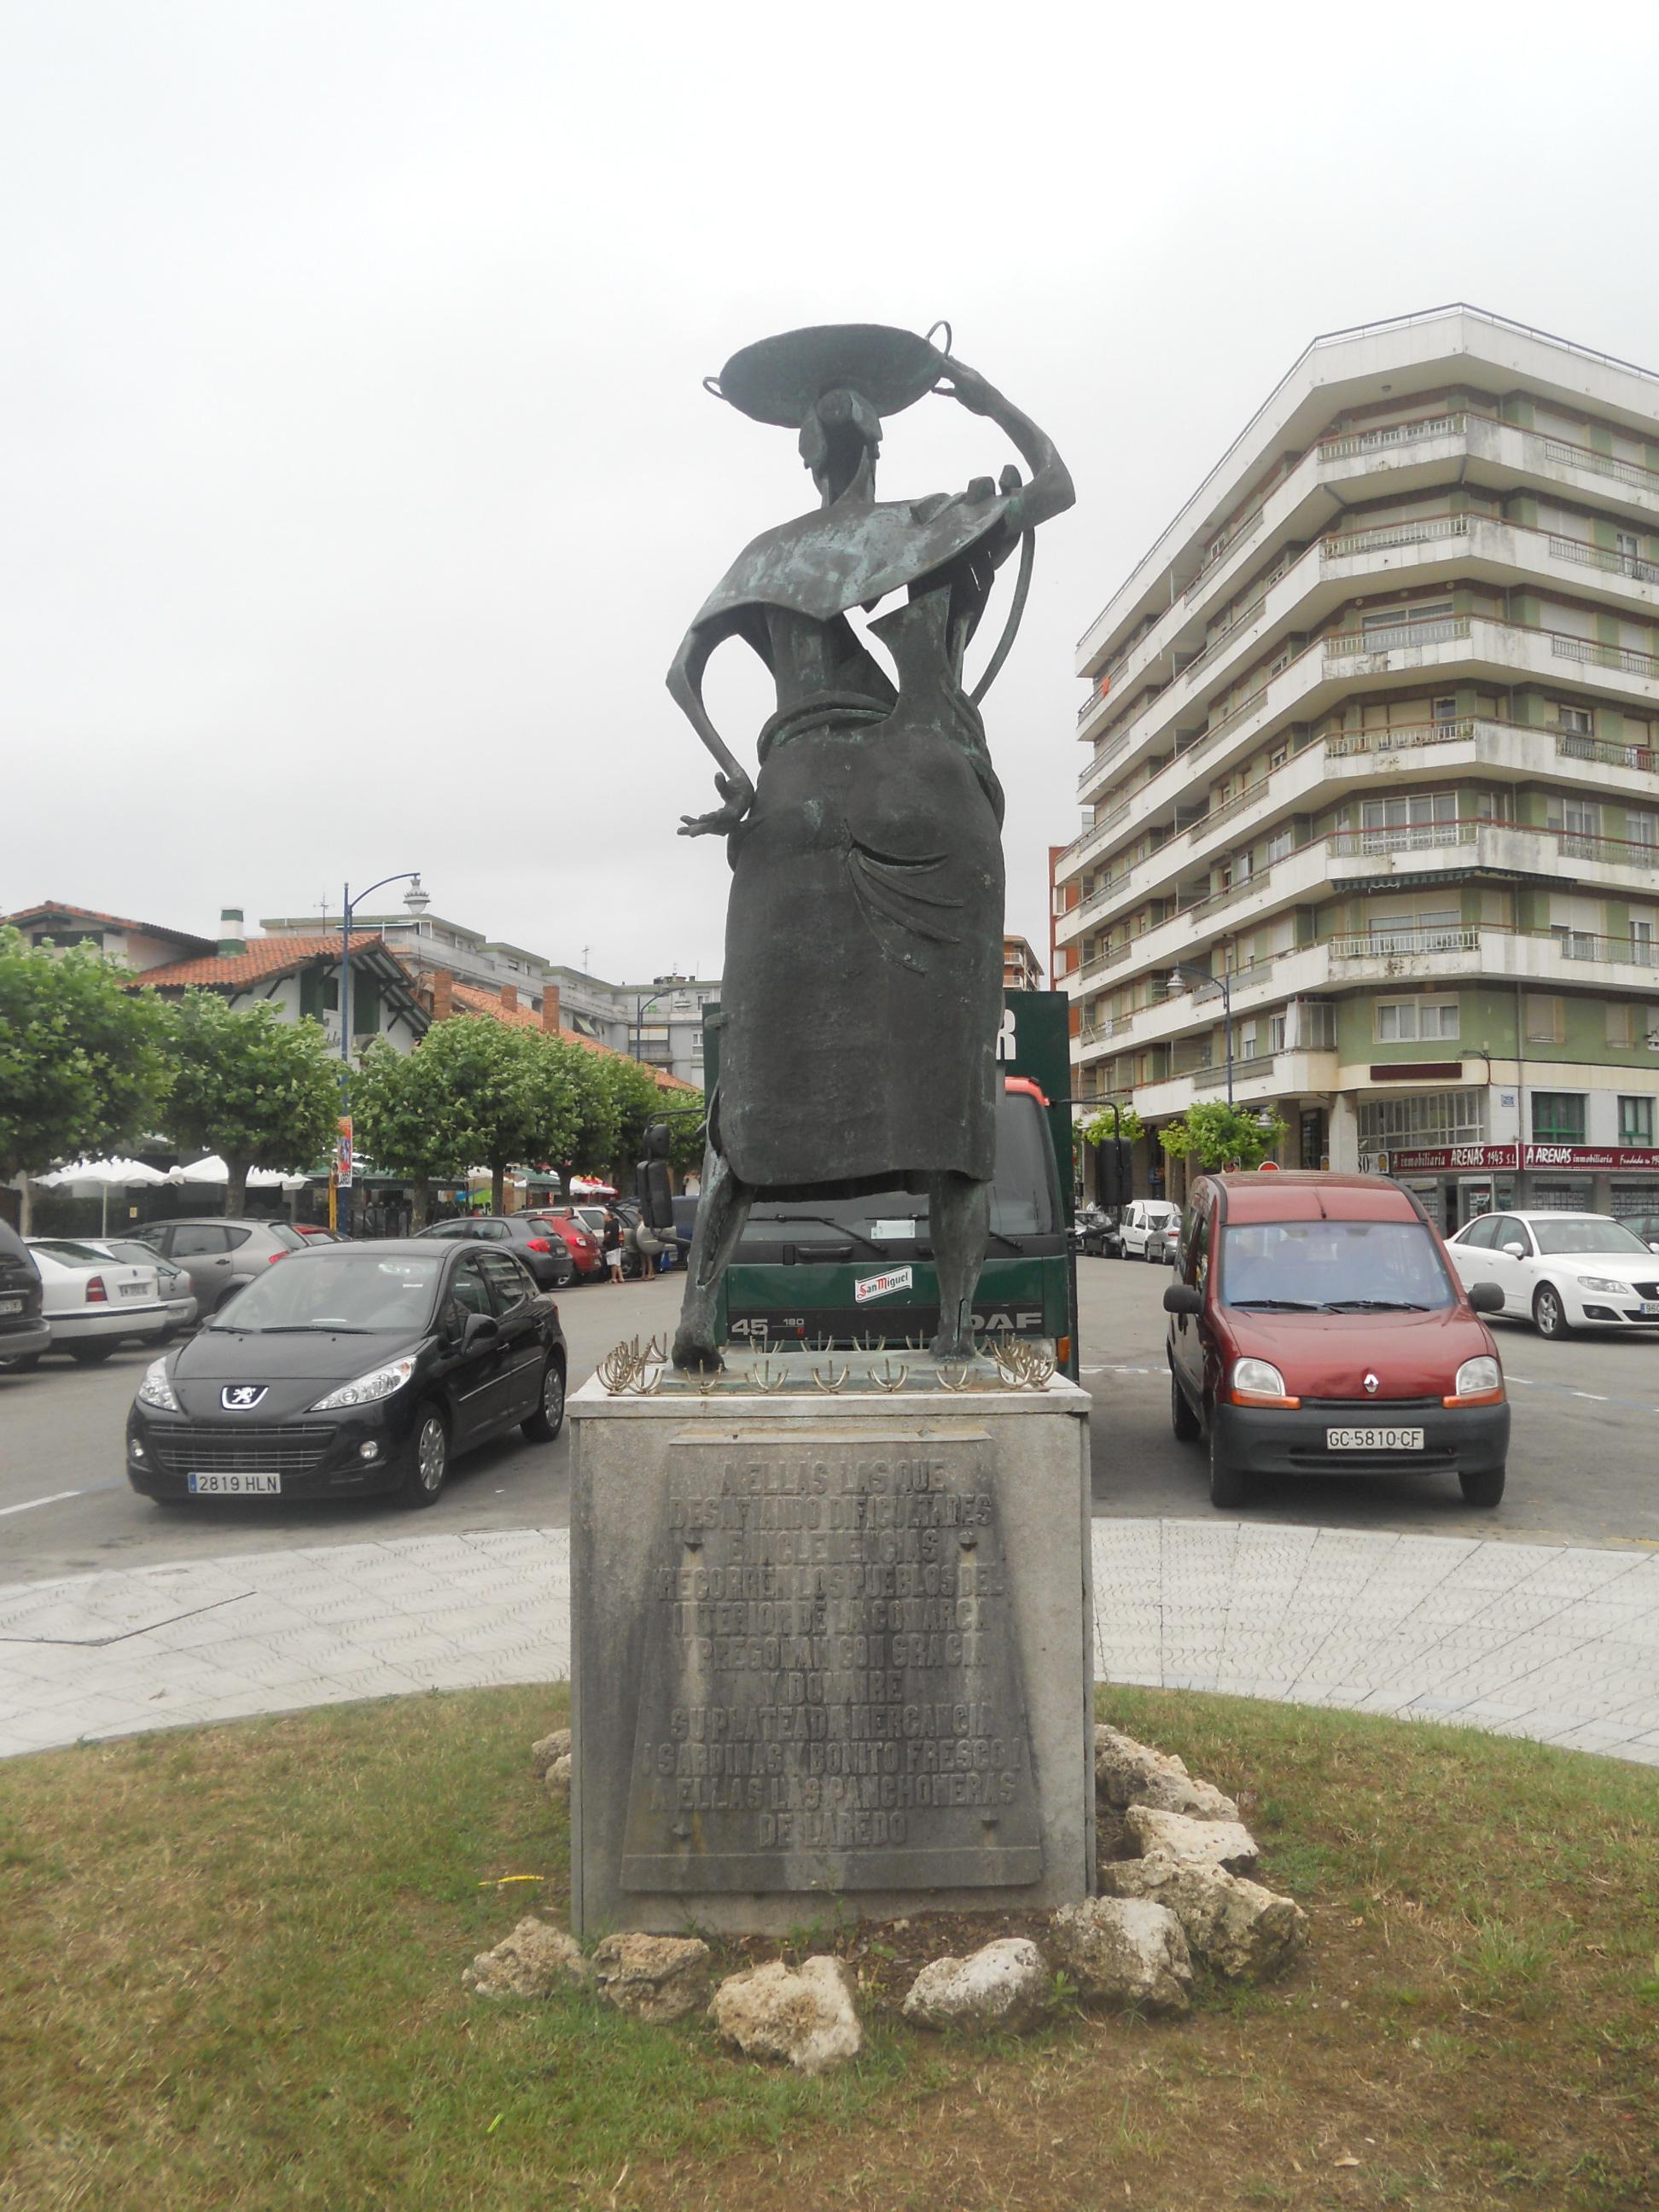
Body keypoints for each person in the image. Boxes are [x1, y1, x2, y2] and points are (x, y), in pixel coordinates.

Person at [667, 323, 1073, 1367]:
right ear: (876, 445)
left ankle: (696, 1321)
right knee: (947, 1086)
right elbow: (1055, 485)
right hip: (927, 795)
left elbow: (682, 676)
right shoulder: (931, 525)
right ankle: (951, 1334)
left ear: (806, 451)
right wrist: (978, 390)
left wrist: (738, 777)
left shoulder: (766, 556)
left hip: (792, 793)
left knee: (755, 1076)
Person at [603, 1208, 625, 1286]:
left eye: (605, 1216)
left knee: (613, 1263)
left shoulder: (608, 1224)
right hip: (617, 1245)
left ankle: (614, 1278)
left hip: (611, 1245)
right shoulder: (616, 1224)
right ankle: (621, 1278)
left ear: (609, 1217)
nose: (603, 1218)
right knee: (617, 1262)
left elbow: (608, 1233)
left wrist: (605, 1239)